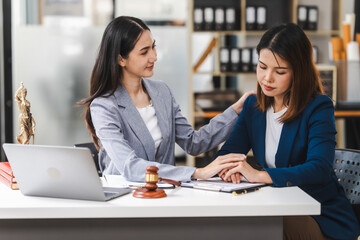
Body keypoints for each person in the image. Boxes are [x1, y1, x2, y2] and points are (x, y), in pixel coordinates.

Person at [214, 23, 360, 240]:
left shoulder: (319, 107)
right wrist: (231, 169)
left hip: (318, 215)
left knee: (260, 223)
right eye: (262, 67)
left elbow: (319, 168)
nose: (267, 78)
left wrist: (261, 176)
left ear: (298, 72)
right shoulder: (253, 106)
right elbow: (227, 155)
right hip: (278, 203)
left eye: (279, 71)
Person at [78, 16, 253, 182]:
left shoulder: (161, 91)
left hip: (165, 194)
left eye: (153, 47)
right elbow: (130, 167)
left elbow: (194, 143)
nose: (154, 57)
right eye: (144, 52)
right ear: (121, 59)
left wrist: (236, 110)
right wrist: (197, 173)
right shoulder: (104, 106)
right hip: (125, 197)